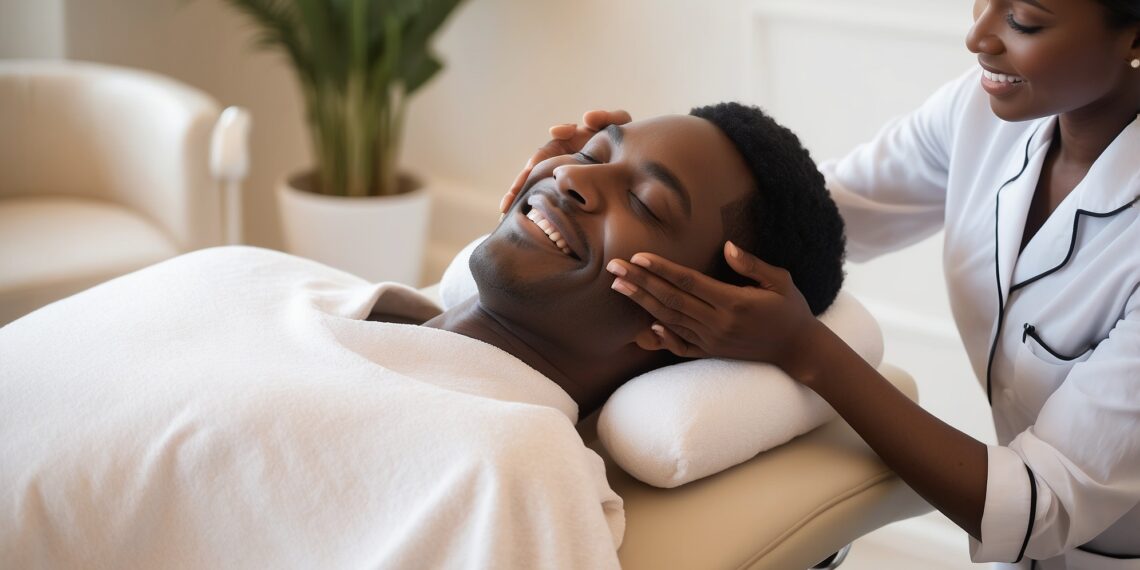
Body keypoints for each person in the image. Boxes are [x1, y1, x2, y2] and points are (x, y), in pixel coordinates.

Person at [0, 105, 845, 568]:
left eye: (650, 205)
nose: (576, 177)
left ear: (688, 322)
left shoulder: (505, 465)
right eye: (593, 148)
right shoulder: (250, 271)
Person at [500, 1, 1140, 568]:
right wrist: (615, 162)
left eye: (1023, 20)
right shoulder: (981, 110)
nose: (977, 36)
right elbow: (809, 216)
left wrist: (805, 349)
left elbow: (1041, 507)